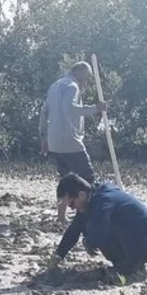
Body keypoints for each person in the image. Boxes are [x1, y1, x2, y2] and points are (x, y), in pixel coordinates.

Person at [48, 173, 147, 283]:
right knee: (88, 224)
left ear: (81, 194)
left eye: (71, 204)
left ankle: (131, 269)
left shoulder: (102, 202)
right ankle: (125, 265)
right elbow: (74, 231)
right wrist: (58, 255)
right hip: (142, 239)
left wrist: (88, 241)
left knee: (99, 229)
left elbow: (98, 237)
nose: (72, 209)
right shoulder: (94, 196)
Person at [38, 62, 106, 222]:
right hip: (70, 141)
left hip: (55, 141)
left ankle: (62, 214)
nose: (86, 82)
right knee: (87, 178)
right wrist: (96, 109)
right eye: (86, 77)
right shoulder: (72, 86)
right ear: (78, 72)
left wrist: (44, 138)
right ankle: (88, 213)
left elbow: (44, 112)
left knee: (67, 179)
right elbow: (71, 109)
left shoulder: (55, 85)